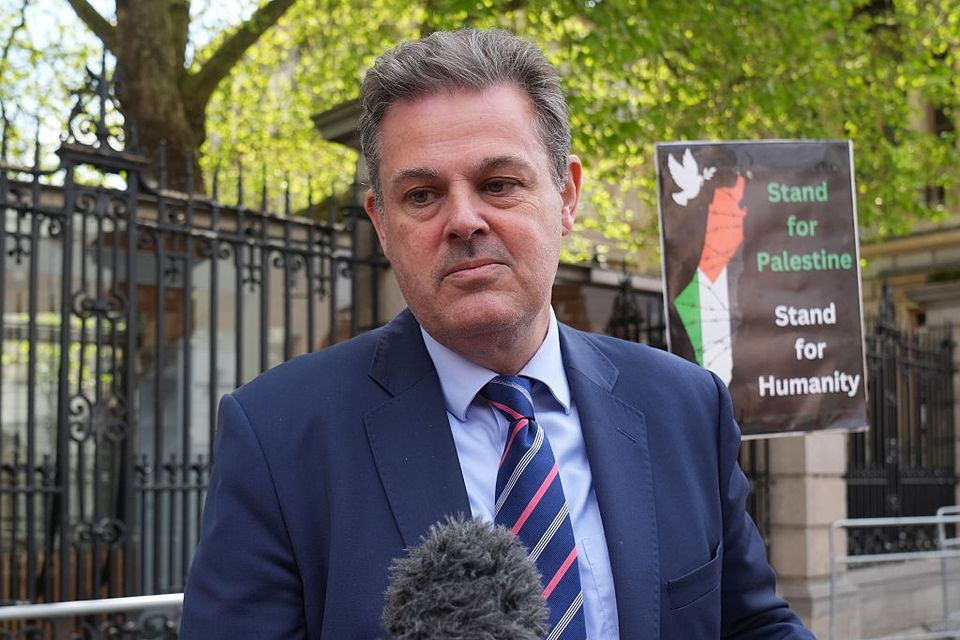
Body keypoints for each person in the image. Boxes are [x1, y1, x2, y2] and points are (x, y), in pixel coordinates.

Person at [180, 29, 814, 639]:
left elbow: (751, 625)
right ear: (381, 223)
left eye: (498, 185)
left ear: (566, 196)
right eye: (422, 195)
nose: (464, 220)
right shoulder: (278, 437)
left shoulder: (684, 406)